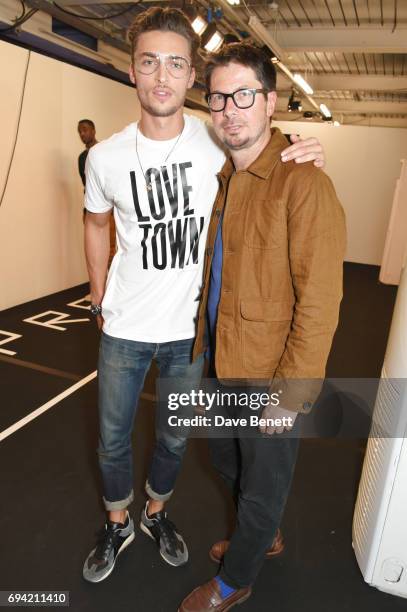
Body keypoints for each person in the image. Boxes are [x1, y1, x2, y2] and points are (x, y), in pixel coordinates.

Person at [81, 6, 327, 584]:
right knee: (112, 439)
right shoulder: (104, 157)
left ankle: (156, 513)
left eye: (175, 64)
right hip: (122, 327)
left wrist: (306, 148)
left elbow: (268, 149)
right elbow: (94, 223)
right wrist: (96, 296)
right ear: (133, 72)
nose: (162, 76)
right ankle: (117, 522)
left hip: (190, 334)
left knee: (174, 437)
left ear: (191, 75)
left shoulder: (215, 140)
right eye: (149, 62)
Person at [179, 43, 346, 611]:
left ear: (271, 102)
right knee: (226, 461)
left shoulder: (303, 183)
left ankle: (235, 580)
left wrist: (290, 393)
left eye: (243, 95)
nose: (229, 109)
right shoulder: (230, 178)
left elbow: (321, 302)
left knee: (263, 481)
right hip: (223, 361)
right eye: (219, 97)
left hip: (270, 375)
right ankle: (262, 534)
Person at [78, 119, 97, 187]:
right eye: (79, 132)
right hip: (90, 196)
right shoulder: (82, 157)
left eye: (85, 130)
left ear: (93, 131)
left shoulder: (103, 151)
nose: (82, 134)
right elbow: (85, 184)